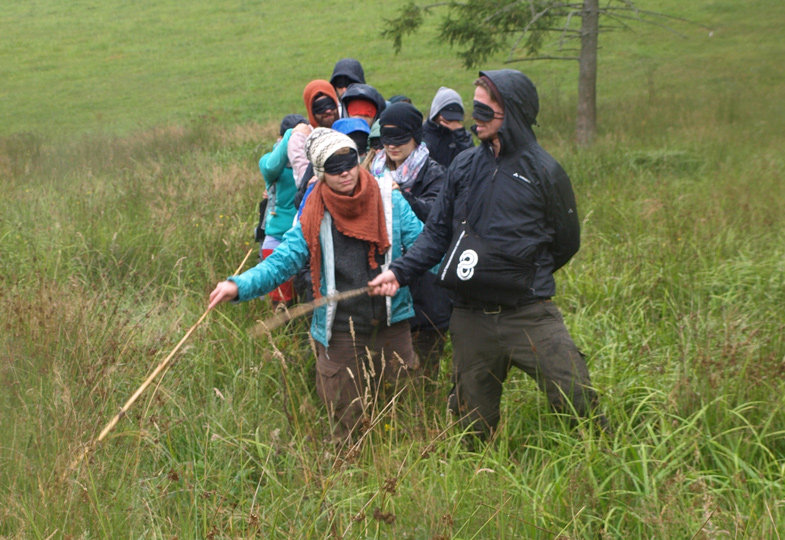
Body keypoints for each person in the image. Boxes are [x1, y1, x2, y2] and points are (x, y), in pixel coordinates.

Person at [368, 69, 602, 440]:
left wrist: (522, 272)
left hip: (529, 312)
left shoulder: (545, 172)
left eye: (484, 109)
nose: (475, 117)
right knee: (471, 425)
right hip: (470, 316)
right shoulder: (463, 167)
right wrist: (399, 272)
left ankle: (599, 457)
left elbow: (566, 241)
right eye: (474, 108)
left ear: (514, 113)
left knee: (576, 397)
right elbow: (437, 233)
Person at [209, 128, 425, 441]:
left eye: (350, 161)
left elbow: (425, 249)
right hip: (340, 328)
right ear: (321, 172)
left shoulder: (390, 199)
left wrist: (413, 273)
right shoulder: (312, 212)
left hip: (393, 323)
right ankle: (346, 472)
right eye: (334, 168)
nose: (346, 172)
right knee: (345, 420)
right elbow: (283, 261)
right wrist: (238, 286)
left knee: (401, 411)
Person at [369, 102, 451, 377]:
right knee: (390, 374)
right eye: (386, 139)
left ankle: (426, 418)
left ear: (416, 136)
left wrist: (402, 196)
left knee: (425, 373)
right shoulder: (371, 170)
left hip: (427, 291)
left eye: (400, 139)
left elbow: (438, 217)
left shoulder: (435, 173)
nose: (392, 147)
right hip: (387, 287)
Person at [257, 113, 308, 310]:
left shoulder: (309, 161)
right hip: (277, 237)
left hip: (303, 237)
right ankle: (283, 339)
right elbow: (270, 169)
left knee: (305, 299)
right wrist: (291, 136)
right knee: (282, 302)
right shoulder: (270, 161)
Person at [288, 80, 340, 186]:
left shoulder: (347, 129)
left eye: (330, 104)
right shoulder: (301, 138)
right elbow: (304, 178)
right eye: (320, 107)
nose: (328, 111)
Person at [422, 86, 474, 168]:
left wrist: (461, 134)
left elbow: (470, 160)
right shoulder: (421, 134)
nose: (450, 121)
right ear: (436, 113)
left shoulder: (462, 136)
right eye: (447, 116)